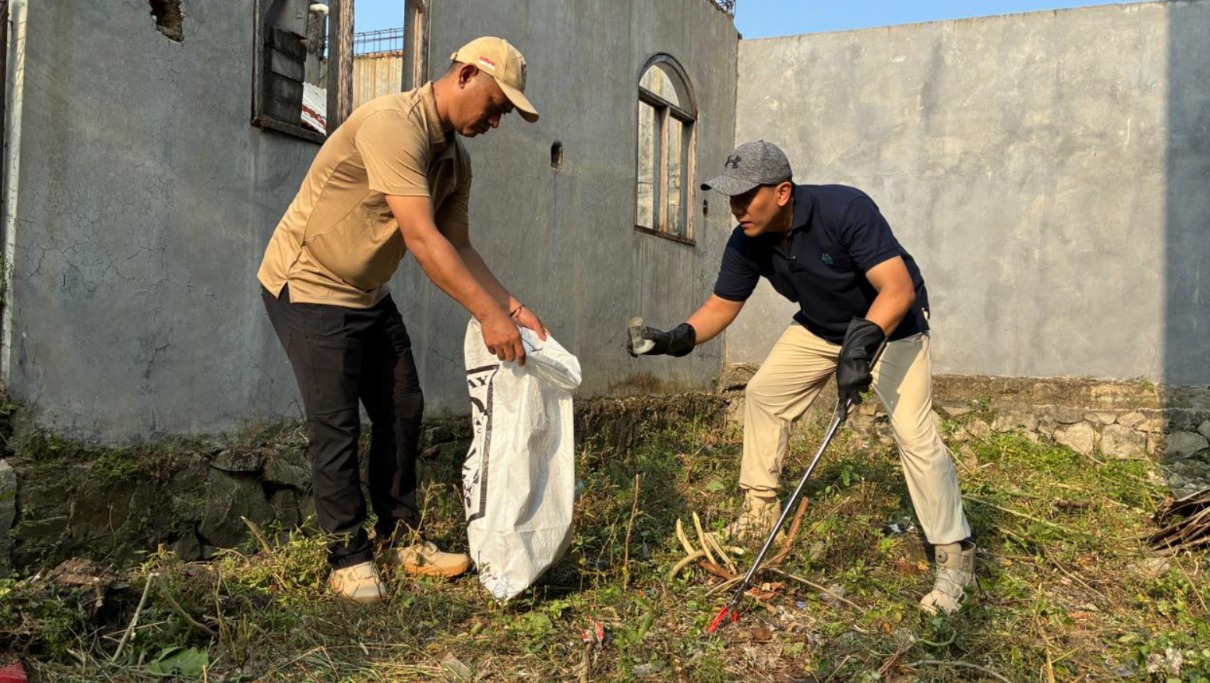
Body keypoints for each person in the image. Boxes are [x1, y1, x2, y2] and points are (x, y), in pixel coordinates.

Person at [629, 140, 976, 615]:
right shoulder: (747, 241)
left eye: (746, 196)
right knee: (763, 394)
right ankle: (758, 513)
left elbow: (896, 290)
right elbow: (720, 307)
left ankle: (955, 553)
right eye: (730, 198)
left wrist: (863, 345)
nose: (736, 209)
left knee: (913, 432)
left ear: (783, 192)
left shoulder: (845, 209)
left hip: (894, 324)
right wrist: (677, 338)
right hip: (822, 326)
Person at [257, 37, 547, 604]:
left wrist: (510, 307)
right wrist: (488, 316)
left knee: (402, 405)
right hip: (308, 284)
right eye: (494, 105)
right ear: (465, 75)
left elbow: (457, 244)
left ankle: (400, 538)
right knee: (336, 423)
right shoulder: (394, 124)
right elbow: (421, 238)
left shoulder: (454, 161)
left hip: (365, 292)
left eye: (505, 113)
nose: (495, 120)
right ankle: (348, 557)